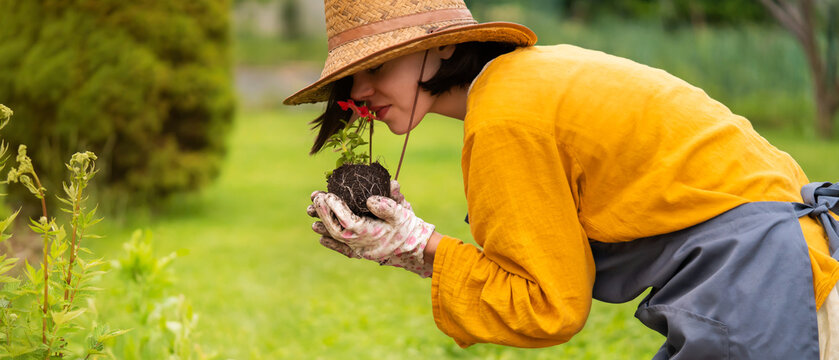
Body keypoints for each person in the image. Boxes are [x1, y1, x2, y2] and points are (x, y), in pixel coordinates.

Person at [287, 0, 839, 358]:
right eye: (352, 78)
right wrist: (412, 248)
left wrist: (417, 245)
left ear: (443, 46)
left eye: (377, 67)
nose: (358, 92)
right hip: (784, 263)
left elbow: (548, 305)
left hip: (768, 283)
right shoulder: (522, 79)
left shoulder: (505, 115)